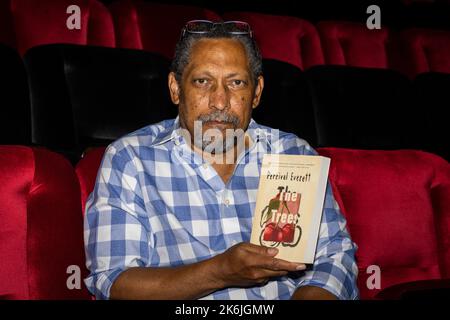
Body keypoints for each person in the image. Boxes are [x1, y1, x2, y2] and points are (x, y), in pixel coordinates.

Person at [84, 20, 359, 300]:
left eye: (236, 82)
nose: (219, 101)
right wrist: (220, 271)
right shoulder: (131, 159)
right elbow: (116, 282)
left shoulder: (293, 153)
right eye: (203, 81)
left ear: (257, 92)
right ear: (175, 88)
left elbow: (335, 255)